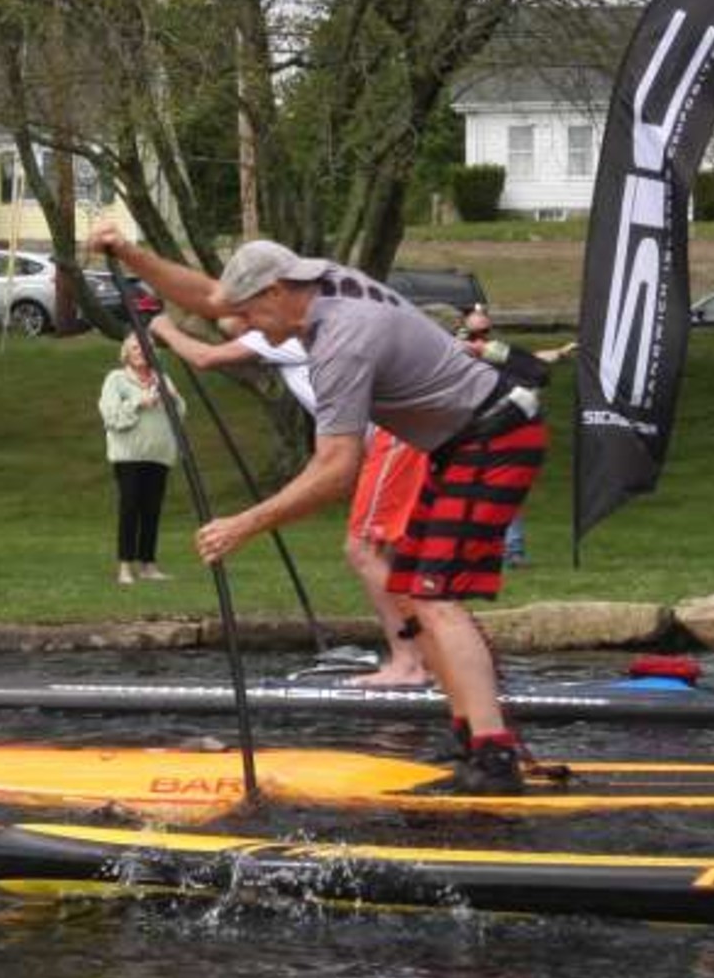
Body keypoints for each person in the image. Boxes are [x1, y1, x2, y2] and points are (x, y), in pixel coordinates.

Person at [94, 225, 546, 792]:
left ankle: (494, 757)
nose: (244, 327)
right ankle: (471, 737)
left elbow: (336, 469)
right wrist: (133, 255)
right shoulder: (313, 281)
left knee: (436, 594)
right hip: (457, 440)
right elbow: (211, 297)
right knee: (412, 587)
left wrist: (244, 523)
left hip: (493, 437)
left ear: (277, 292)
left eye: (251, 315)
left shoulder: (342, 340)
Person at [148, 308, 430, 687]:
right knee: (396, 553)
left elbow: (204, 357)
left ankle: (409, 663)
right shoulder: (290, 332)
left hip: (395, 438)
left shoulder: (274, 331)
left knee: (364, 550)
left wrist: (163, 326)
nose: (222, 322)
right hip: (408, 434)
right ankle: (430, 657)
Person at [456, 306, 574, 567]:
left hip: (500, 431)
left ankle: (512, 551)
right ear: (462, 331)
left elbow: (529, 361)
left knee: (505, 490)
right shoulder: (457, 355)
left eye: (486, 331)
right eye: (476, 333)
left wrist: (557, 353)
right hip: (467, 434)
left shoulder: (493, 351)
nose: (483, 338)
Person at [99, 334, 184, 585]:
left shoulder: (162, 379)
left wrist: (174, 397)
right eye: (135, 347)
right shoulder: (116, 379)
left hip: (159, 456)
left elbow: (180, 414)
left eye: (145, 347)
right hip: (129, 456)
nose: (140, 352)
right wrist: (139, 402)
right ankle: (125, 567)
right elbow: (111, 417)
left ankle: (148, 566)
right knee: (130, 508)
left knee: (152, 510)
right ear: (126, 352)